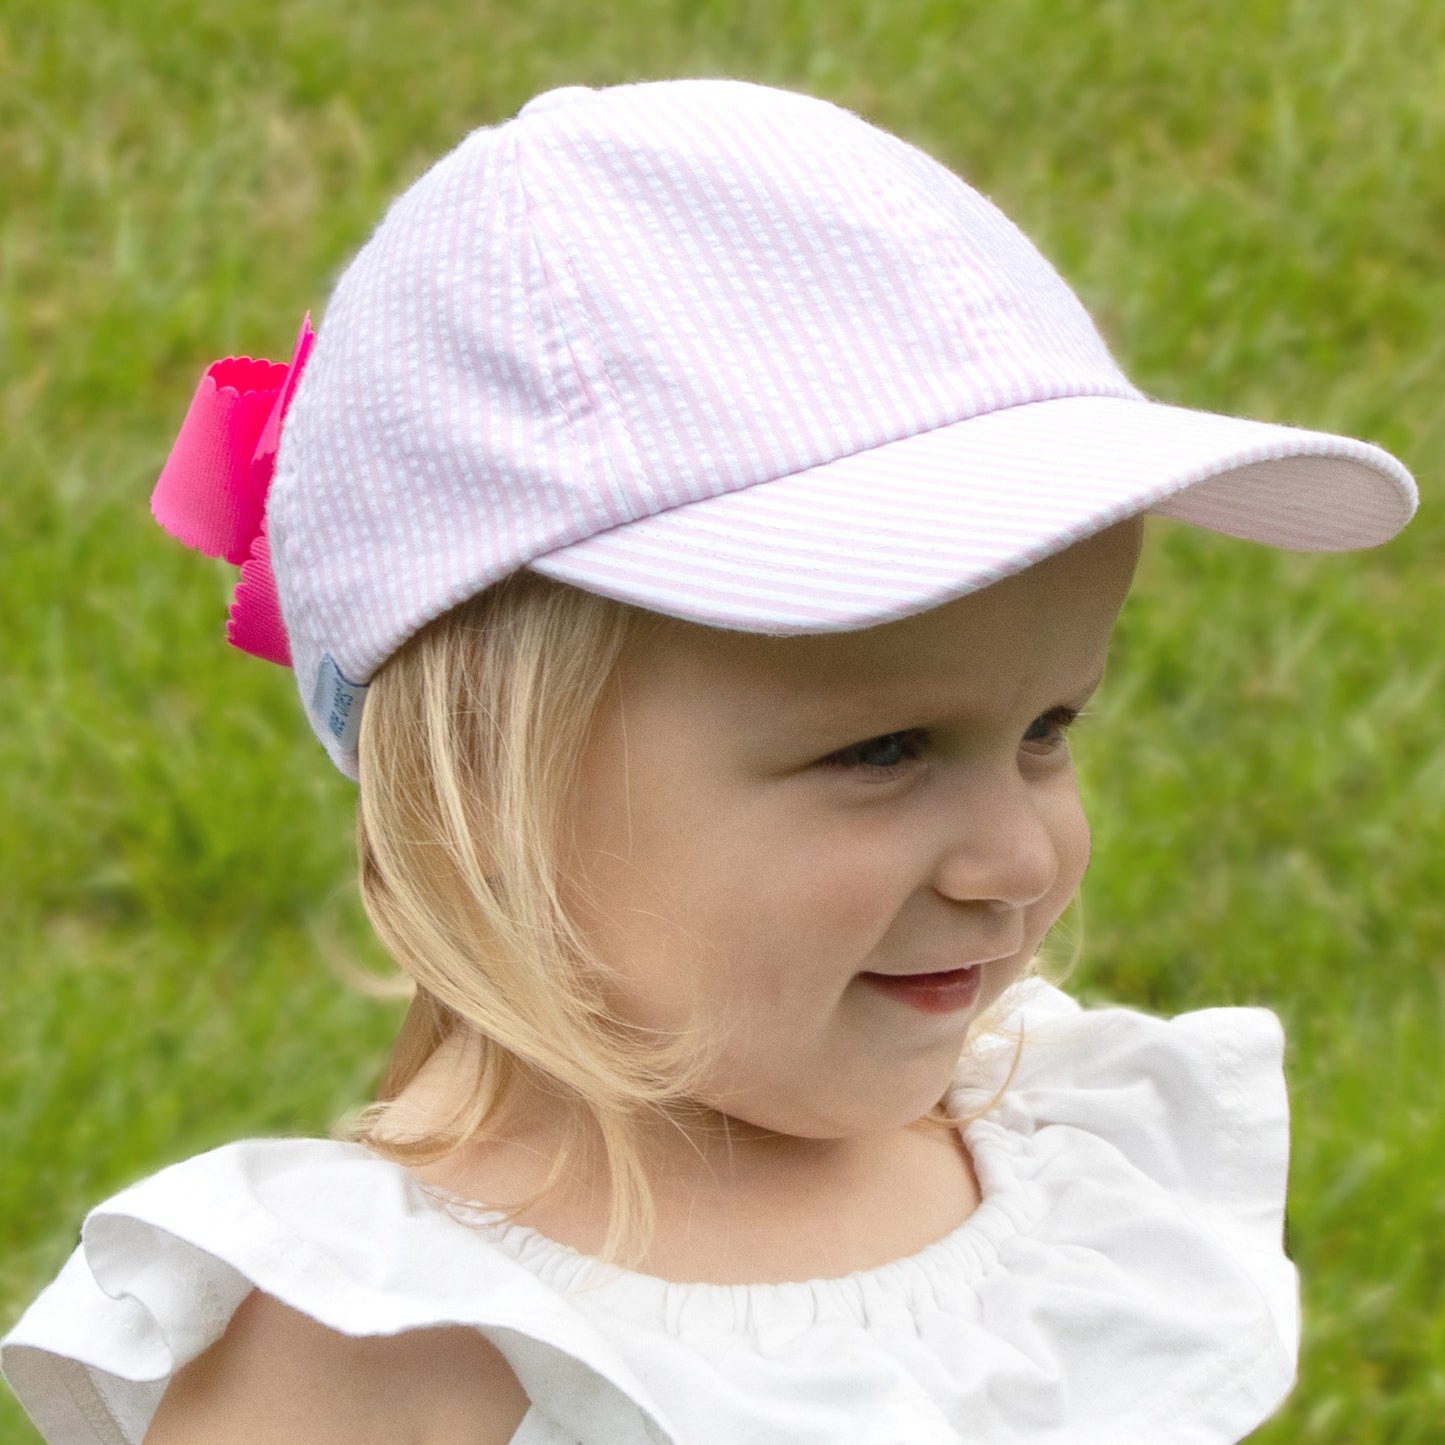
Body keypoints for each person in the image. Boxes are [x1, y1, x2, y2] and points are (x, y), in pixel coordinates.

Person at [0, 79, 1418, 1445]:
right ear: (492, 795)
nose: (1020, 855)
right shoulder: (388, 1339)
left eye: (1047, 728)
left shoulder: (1055, 1173)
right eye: (881, 748)